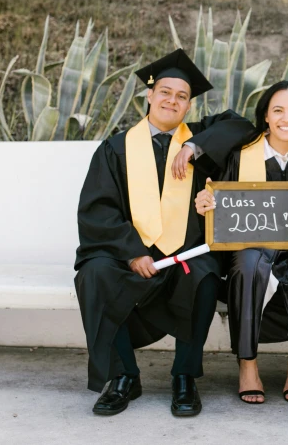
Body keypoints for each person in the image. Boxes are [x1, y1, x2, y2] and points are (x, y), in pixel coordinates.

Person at [74, 49, 255, 417]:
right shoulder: (116, 148)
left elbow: (242, 125)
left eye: (182, 96)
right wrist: (132, 252)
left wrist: (193, 146)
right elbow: (99, 210)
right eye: (165, 92)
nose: (172, 100)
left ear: (188, 105)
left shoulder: (201, 139)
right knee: (94, 274)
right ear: (149, 95)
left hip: (184, 251)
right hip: (132, 252)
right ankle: (124, 375)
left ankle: (185, 376)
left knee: (204, 275)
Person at [195, 81, 288, 404]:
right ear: (266, 115)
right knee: (247, 265)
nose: (286, 119)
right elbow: (218, 197)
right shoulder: (240, 153)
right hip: (251, 245)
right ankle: (247, 364)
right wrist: (206, 203)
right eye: (278, 110)